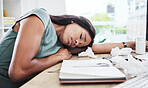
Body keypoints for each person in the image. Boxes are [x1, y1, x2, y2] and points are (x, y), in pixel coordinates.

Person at [0, 8, 148, 88]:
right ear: (74, 21)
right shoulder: (39, 19)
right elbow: (17, 73)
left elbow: (95, 48)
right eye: (81, 37)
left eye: (80, 44)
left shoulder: (61, 45)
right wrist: (57, 57)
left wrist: (131, 44)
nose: (77, 43)